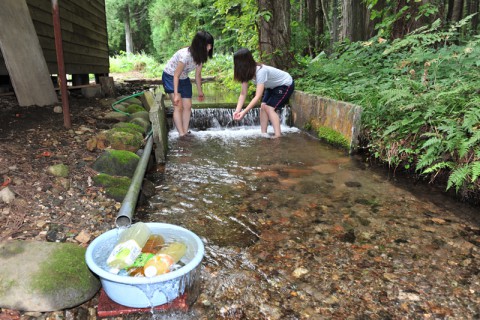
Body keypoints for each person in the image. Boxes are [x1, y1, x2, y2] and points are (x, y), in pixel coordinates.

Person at [232, 48, 294, 138]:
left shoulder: (260, 71)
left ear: (243, 63)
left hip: (284, 84)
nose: (235, 65)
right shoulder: (245, 73)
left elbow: (257, 96)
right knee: (263, 107)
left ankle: (278, 136)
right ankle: (264, 133)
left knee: (269, 108)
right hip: (271, 87)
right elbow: (243, 94)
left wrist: (244, 112)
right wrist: (237, 111)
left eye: (236, 62)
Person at [162, 31, 214, 136]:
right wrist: (176, 94)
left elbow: (197, 75)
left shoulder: (201, 57)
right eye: (208, 45)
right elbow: (176, 75)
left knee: (188, 106)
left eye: (211, 45)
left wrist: (200, 92)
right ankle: (181, 135)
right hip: (170, 76)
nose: (210, 48)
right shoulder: (185, 56)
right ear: (200, 45)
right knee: (178, 106)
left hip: (184, 78)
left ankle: (185, 131)